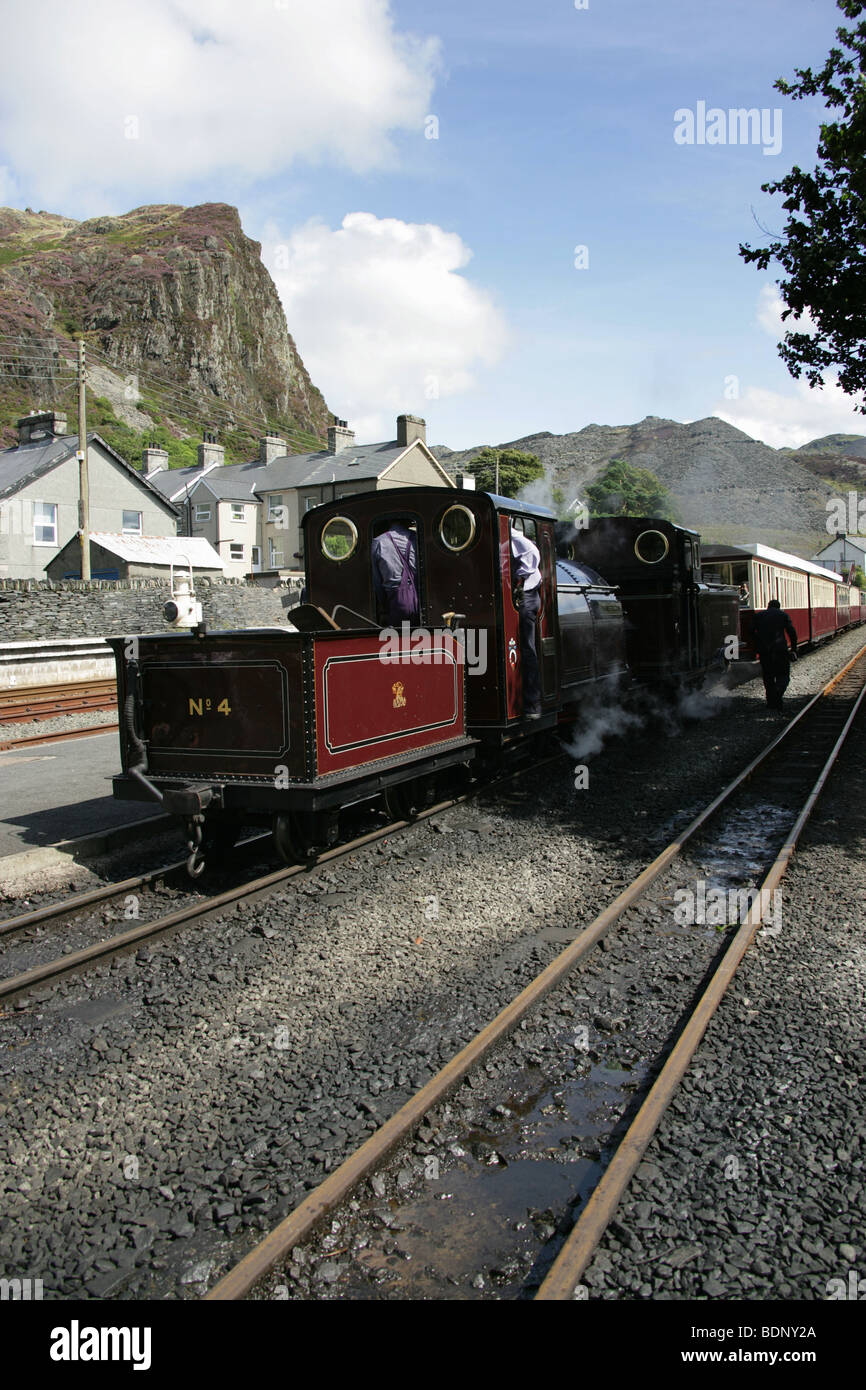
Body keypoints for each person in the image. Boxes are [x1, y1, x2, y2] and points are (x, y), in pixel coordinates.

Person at [510, 526, 543, 718]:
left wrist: (519, 578)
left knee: (528, 646)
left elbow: (533, 553)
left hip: (527, 594)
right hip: (520, 591)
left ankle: (533, 702)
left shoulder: (513, 536)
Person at [753, 597, 798, 713]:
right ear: (779, 606)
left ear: (768, 606)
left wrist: (758, 643)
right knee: (783, 676)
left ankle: (771, 702)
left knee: (768, 677)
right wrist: (793, 649)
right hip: (780, 651)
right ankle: (777, 695)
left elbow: (751, 631)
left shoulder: (759, 616)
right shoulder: (783, 615)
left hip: (764, 652)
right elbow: (792, 633)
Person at [372, 521, 419, 625]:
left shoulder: (378, 542)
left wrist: (383, 605)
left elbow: (377, 582)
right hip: (418, 600)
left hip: (395, 601)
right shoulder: (417, 538)